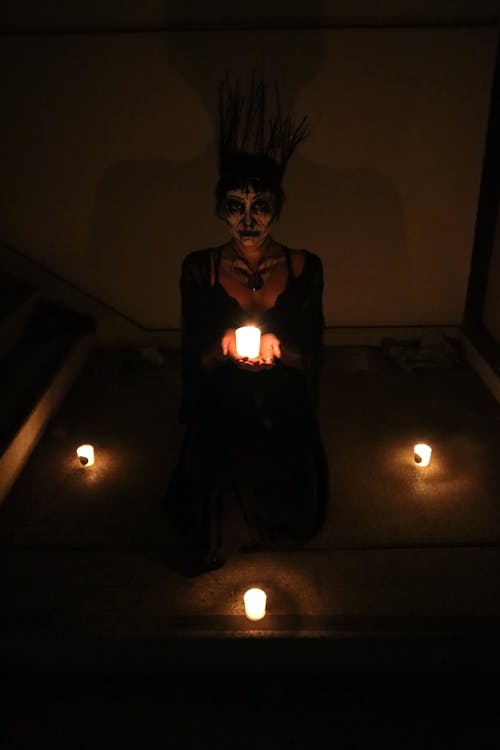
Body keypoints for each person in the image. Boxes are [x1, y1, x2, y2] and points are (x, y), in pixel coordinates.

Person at [165, 77, 329, 575]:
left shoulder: (304, 266)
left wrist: (282, 348)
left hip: (280, 393)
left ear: (277, 207)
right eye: (236, 206)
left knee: (279, 449)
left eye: (260, 207)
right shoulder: (201, 267)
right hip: (224, 391)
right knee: (225, 443)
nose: (249, 219)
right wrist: (224, 343)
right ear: (221, 209)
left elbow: (314, 349)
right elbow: (192, 349)